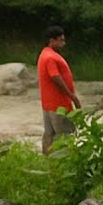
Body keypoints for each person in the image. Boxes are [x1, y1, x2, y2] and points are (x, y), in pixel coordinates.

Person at [37, 26, 81, 154]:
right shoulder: (50, 57)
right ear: (52, 40)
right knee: (65, 137)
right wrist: (73, 97)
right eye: (61, 40)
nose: (63, 43)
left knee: (49, 135)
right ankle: (65, 164)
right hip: (59, 104)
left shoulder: (45, 54)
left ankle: (47, 162)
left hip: (48, 104)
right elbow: (55, 77)